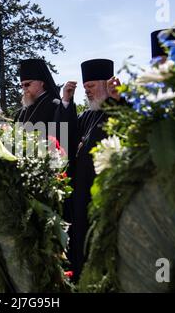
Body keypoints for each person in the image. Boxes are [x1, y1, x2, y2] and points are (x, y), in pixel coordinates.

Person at [65, 59, 123, 280]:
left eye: (91, 86)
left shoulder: (119, 107)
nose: (87, 92)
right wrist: (67, 102)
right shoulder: (87, 115)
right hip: (81, 194)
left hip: (105, 195)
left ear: (107, 84)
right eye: (85, 87)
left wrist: (119, 100)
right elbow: (68, 137)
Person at [15, 59, 77, 154]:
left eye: (27, 84)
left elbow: (63, 135)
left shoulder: (55, 105)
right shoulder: (23, 110)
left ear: (41, 83)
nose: (24, 88)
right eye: (22, 85)